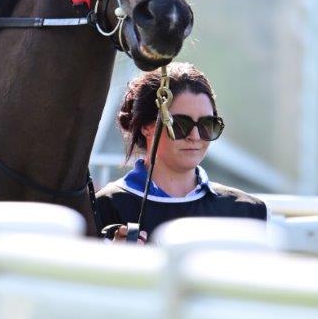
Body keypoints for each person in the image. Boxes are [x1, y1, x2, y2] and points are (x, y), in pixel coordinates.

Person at [94, 62, 267, 241]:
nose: (195, 136)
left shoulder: (249, 213)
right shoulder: (104, 207)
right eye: (180, 124)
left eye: (207, 125)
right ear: (146, 126)